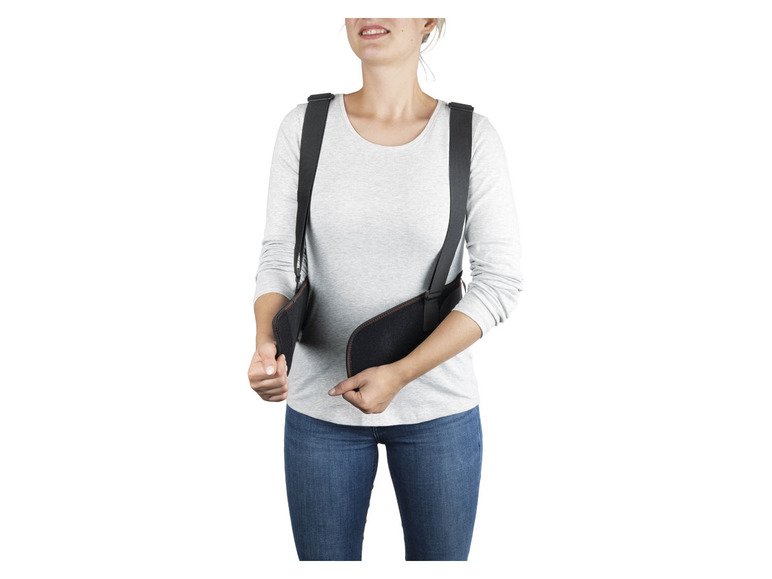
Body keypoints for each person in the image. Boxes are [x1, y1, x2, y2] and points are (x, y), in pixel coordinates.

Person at [247, 18, 524, 561]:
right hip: (321, 409)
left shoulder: (469, 135)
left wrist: (401, 374)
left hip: (438, 410)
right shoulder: (306, 126)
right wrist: (266, 345)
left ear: (429, 19)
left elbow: (499, 282)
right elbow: (279, 257)